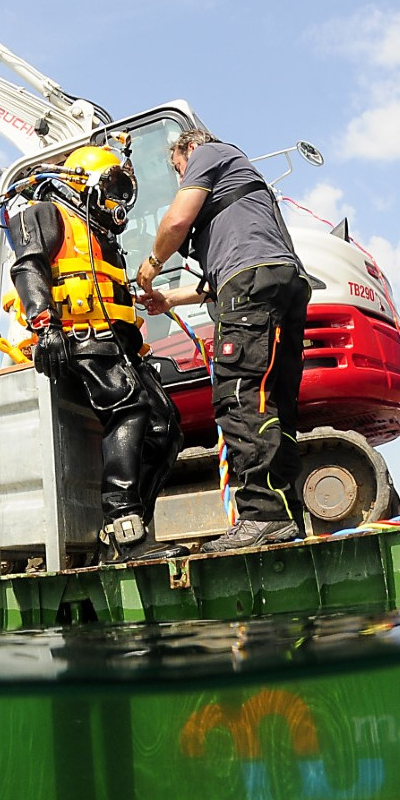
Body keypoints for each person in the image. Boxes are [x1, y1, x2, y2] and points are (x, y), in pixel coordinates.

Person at [7, 144, 185, 564]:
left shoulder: (102, 238)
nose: (118, 201)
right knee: (129, 410)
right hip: (80, 339)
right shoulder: (47, 214)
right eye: (113, 187)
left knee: (166, 432)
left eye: (125, 191)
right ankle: (124, 530)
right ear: (85, 184)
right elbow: (27, 267)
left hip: (119, 347)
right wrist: (45, 324)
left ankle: (128, 531)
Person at [135, 129, 309, 552]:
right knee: (275, 403)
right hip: (280, 283)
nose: (181, 177)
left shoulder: (207, 153)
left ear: (187, 148)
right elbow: (222, 279)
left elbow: (177, 220)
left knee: (239, 395)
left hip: (249, 286)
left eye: (178, 168)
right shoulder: (245, 194)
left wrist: (152, 264)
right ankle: (284, 518)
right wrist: (169, 299)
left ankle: (259, 515)